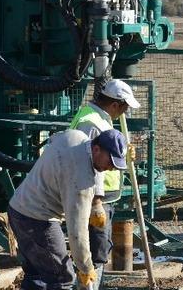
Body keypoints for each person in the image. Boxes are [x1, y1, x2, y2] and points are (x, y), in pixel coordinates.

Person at [8, 129, 128, 290]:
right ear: (97, 149)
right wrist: (86, 269)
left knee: (38, 272)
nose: (112, 168)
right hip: (37, 219)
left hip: (18, 208)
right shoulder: (81, 182)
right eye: (111, 161)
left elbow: (94, 165)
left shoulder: (76, 136)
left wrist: (96, 203)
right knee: (63, 277)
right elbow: (77, 233)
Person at [69, 79, 140, 289]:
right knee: (95, 249)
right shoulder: (91, 123)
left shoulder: (100, 119)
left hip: (102, 197)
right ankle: (87, 286)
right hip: (93, 199)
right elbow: (89, 162)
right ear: (115, 104)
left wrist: (123, 153)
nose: (124, 114)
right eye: (124, 108)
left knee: (99, 247)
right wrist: (97, 202)